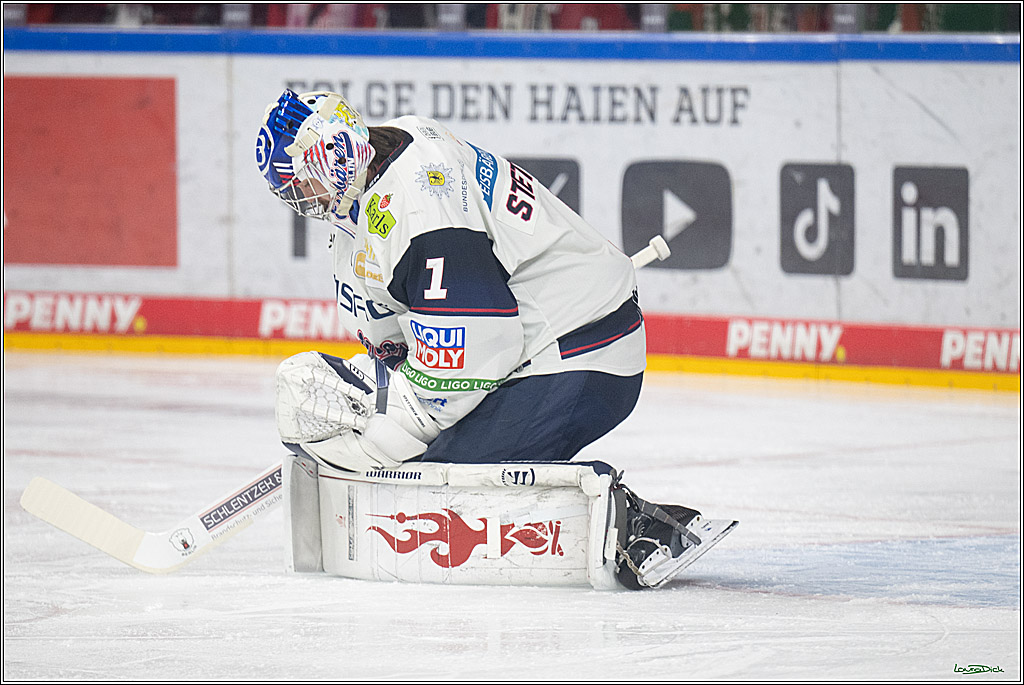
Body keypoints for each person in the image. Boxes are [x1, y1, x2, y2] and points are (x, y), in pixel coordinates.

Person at [256, 89, 734, 589]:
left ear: (334, 152)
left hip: (581, 347)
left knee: (437, 483)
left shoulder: (421, 207)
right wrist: (381, 393)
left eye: (303, 177)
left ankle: (633, 525)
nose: (301, 196)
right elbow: (404, 333)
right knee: (421, 468)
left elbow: (481, 346)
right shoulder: (379, 176)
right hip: (534, 344)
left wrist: (391, 427)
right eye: (290, 187)